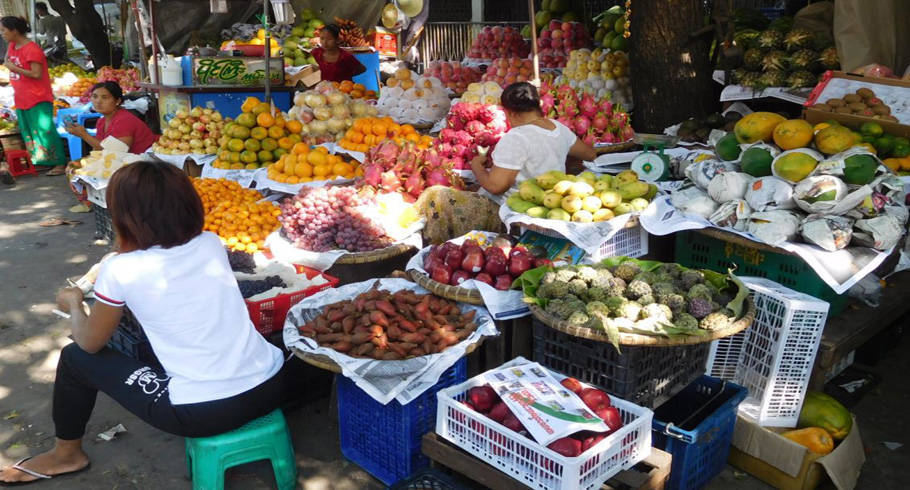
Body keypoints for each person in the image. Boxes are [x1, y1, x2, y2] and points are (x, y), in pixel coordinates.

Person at [0, 160, 288, 485]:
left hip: (205, 412)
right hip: (272, 383)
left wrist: (75, 304)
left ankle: (66, 455)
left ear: (123, 217)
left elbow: (90, 342)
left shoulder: (120, 271)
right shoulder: (210, 243)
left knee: (74, 358)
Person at [470, 82, 596, 195]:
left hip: (519, 206)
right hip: (554, 199)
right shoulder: (557, 127)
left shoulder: (516, 137)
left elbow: (496, 187)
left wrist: (476, 166)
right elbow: (590, 154)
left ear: (511, 113)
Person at [1, 16, 67, 178]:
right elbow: (7, 60)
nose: (2, 33)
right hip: (22, 97)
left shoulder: (32, 49)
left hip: (37, 97)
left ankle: (59, 163)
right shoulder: (12, 45)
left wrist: (13, 68)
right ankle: (43, 162)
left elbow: (36, 74)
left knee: (45, 130)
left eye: (4, 30)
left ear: (15, 31)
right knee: (30, 131)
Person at [64, 81, 158, 154]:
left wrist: (84, 135)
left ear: (117, 101)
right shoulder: (102, 121)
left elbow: (116, 152)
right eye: (95, 96)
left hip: (144, 164)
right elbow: (99, 148)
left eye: (104, 97)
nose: (98, 101)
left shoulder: (124, 120)